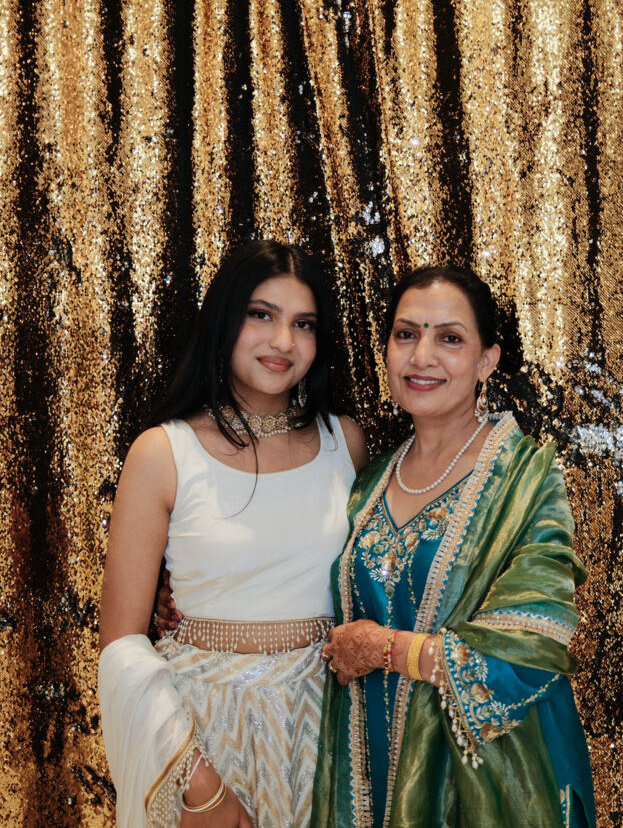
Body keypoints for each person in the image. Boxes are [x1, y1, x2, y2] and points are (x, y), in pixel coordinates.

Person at [312, 266, 596, 827]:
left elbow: (531, 644)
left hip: (487, 785)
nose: (422, 357)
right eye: (406, 334)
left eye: (449, 338)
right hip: (365, 774)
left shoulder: (526, 478)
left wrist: (387, 650)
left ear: (486, 360)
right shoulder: (369, 482)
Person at [98, 240, 367, 827]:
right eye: (261, 315)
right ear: (224, 321)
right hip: (200, 732)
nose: (283, 342)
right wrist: (196, 783)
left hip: (328, 734)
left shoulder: (344, 442)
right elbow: (121, 644)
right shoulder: (164, 452)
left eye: (303, 324)